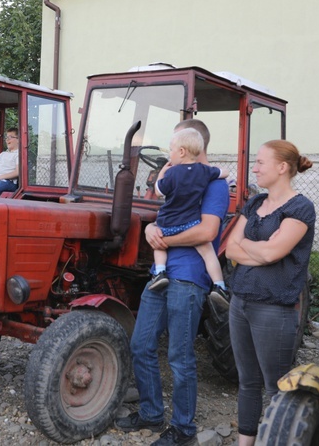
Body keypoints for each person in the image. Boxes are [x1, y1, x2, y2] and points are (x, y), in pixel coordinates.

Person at [115, 119, 230, 446]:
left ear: (194, 145)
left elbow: (206, 232)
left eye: (173, 143)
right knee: (141, 344)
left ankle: (183, 430)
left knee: (180, 355)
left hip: (189, 277)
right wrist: (152, 229)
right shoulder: (179, 176)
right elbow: (169, 215)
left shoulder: (216, 185)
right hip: (161, 275)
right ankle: (151, 413)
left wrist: (162, 236)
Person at [224, 140, 315, 446]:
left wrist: (253, 248)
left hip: (274, 309)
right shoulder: (255, 203)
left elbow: (272, 254)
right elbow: (230, 250)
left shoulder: (301, 208)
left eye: (261, 162)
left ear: (282, 167)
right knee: (247, 382)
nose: (255, 167)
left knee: (277, 387)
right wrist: (260, 249)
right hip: (241, 302)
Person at [149, 127, 229, 292]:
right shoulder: (205, 172)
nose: (169, 154)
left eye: (171, 150)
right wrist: (221, 172)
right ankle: (220, 286)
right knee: (208, 252)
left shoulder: (173, 173)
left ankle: (160, 272)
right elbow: (224, 173)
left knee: (159, 246)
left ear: (182, 152)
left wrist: (162, 173)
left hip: (168, 222)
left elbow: (158, 191)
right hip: (190, 222)